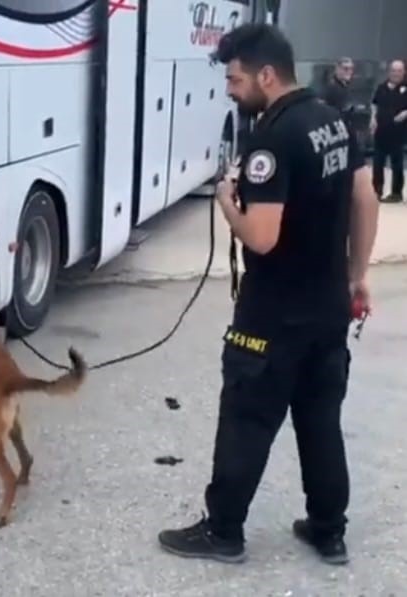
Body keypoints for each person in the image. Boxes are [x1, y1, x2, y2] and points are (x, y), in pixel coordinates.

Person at [157, 24, 380, 566]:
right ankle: (328, 530)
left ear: (266, 75)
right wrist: (357, 276)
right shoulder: (333, 118)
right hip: (328, 308)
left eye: (235, 80)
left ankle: (223, 533)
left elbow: (261, 236)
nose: (230, 91)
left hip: (273, 318)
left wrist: (226, 201)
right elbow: (365, 197)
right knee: (320, 422)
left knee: (247, 420)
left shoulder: (273, 138)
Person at [370, 59, 406, 202]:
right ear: (389, 72)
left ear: (404, 72)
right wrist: (373, 118)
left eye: (399, 71)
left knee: (397, 165)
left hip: (398, 133)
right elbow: (374, 104)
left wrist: (405, 113)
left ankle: (396, 193)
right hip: (381, 133)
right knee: (378, 164)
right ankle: (377, 191)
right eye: (394, 70)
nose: (396, 73)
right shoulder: (382, 87)